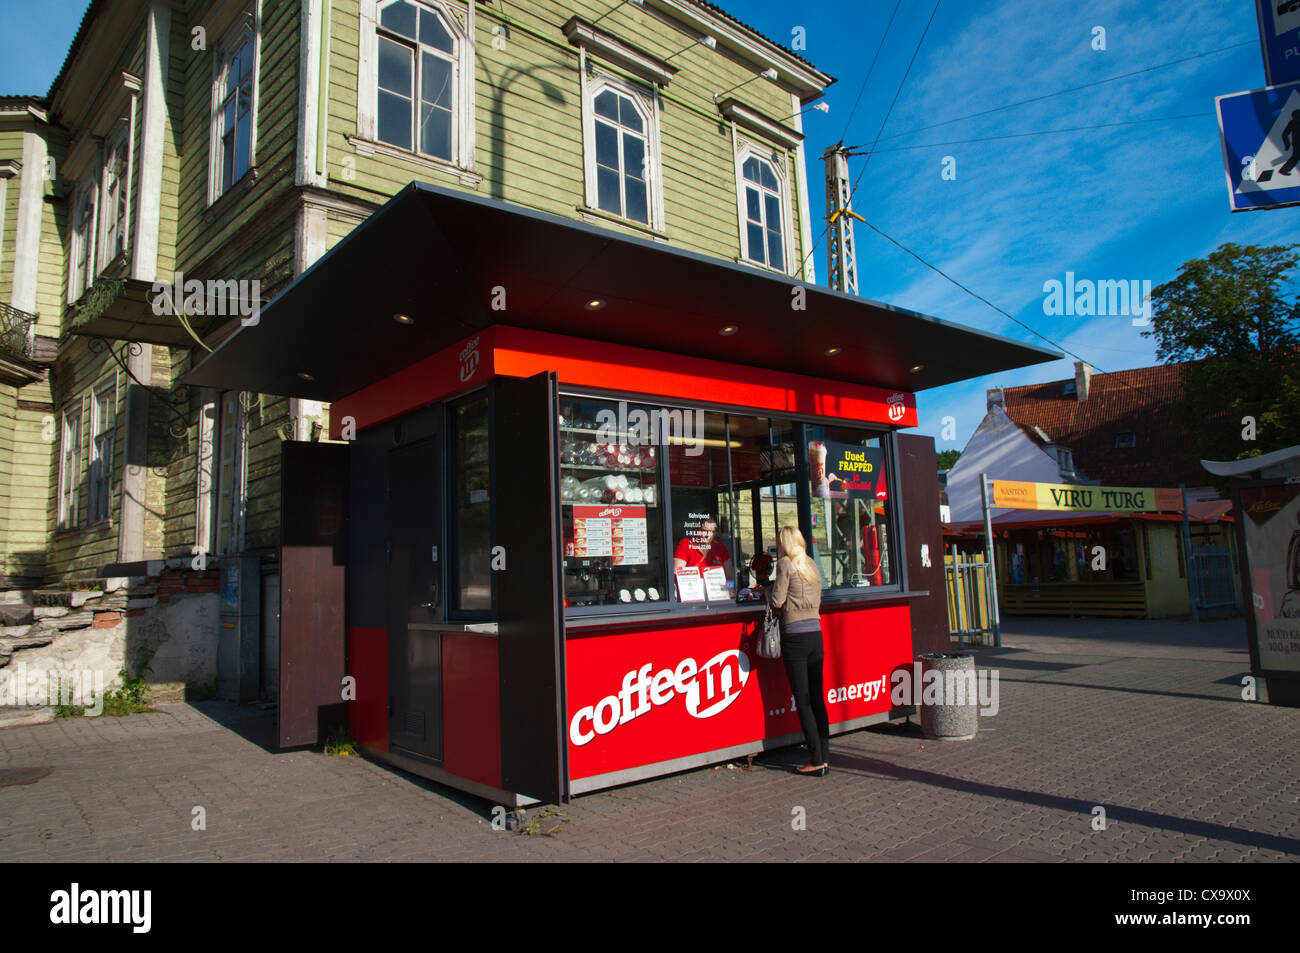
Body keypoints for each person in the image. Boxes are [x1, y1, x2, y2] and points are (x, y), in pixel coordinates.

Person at [767, 525, 830, 776]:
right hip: (816, 635)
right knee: (817, 697)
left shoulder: (785, 564)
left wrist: (767, 590)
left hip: (795, 637)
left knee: (802, 699)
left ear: (784, 543)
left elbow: (777, 601)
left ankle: (815, 760)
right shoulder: (811, 564)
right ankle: (824, 754)